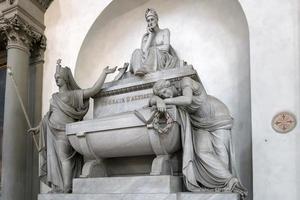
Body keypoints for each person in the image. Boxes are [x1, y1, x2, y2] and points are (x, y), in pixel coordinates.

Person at [149, 77, 247, 199]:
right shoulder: (171, 99)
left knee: (220, 152)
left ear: (169, 85)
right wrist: (158, 100)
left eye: (164, 92)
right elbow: (150, 100)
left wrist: (165, 101)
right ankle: (229, 180)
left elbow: (187, 100)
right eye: (162, 95)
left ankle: (227, 185)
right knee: (201, 152)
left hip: (217, 115)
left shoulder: (185, 82)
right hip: (199, 123)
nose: (165, 95)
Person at [28, 60, 116, 193]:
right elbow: (48, 116)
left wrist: (104, 74)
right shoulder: (55, 97)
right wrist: (38, 128)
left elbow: (93, 91)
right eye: (56, 78)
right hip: (52, 131)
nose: (57, 80)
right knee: (55, 160)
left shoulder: (73, 95)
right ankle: (59, 187)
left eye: (59, 78)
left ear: (65, 79)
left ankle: (67, 187)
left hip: (65, 131)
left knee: (64, 159)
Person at [130, 8, 178, 76]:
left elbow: (166, 47)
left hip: (161, 59)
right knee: (137, 51)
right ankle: (138, 71)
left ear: (156, 19)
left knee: (153, 50)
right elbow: (143, 52)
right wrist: (150, 35)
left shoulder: (165, 31)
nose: (150, 22)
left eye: (152, 19)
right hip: (146, 61)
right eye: (148, 20)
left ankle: (147, 68)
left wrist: (152, 49)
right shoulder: (146, 36)